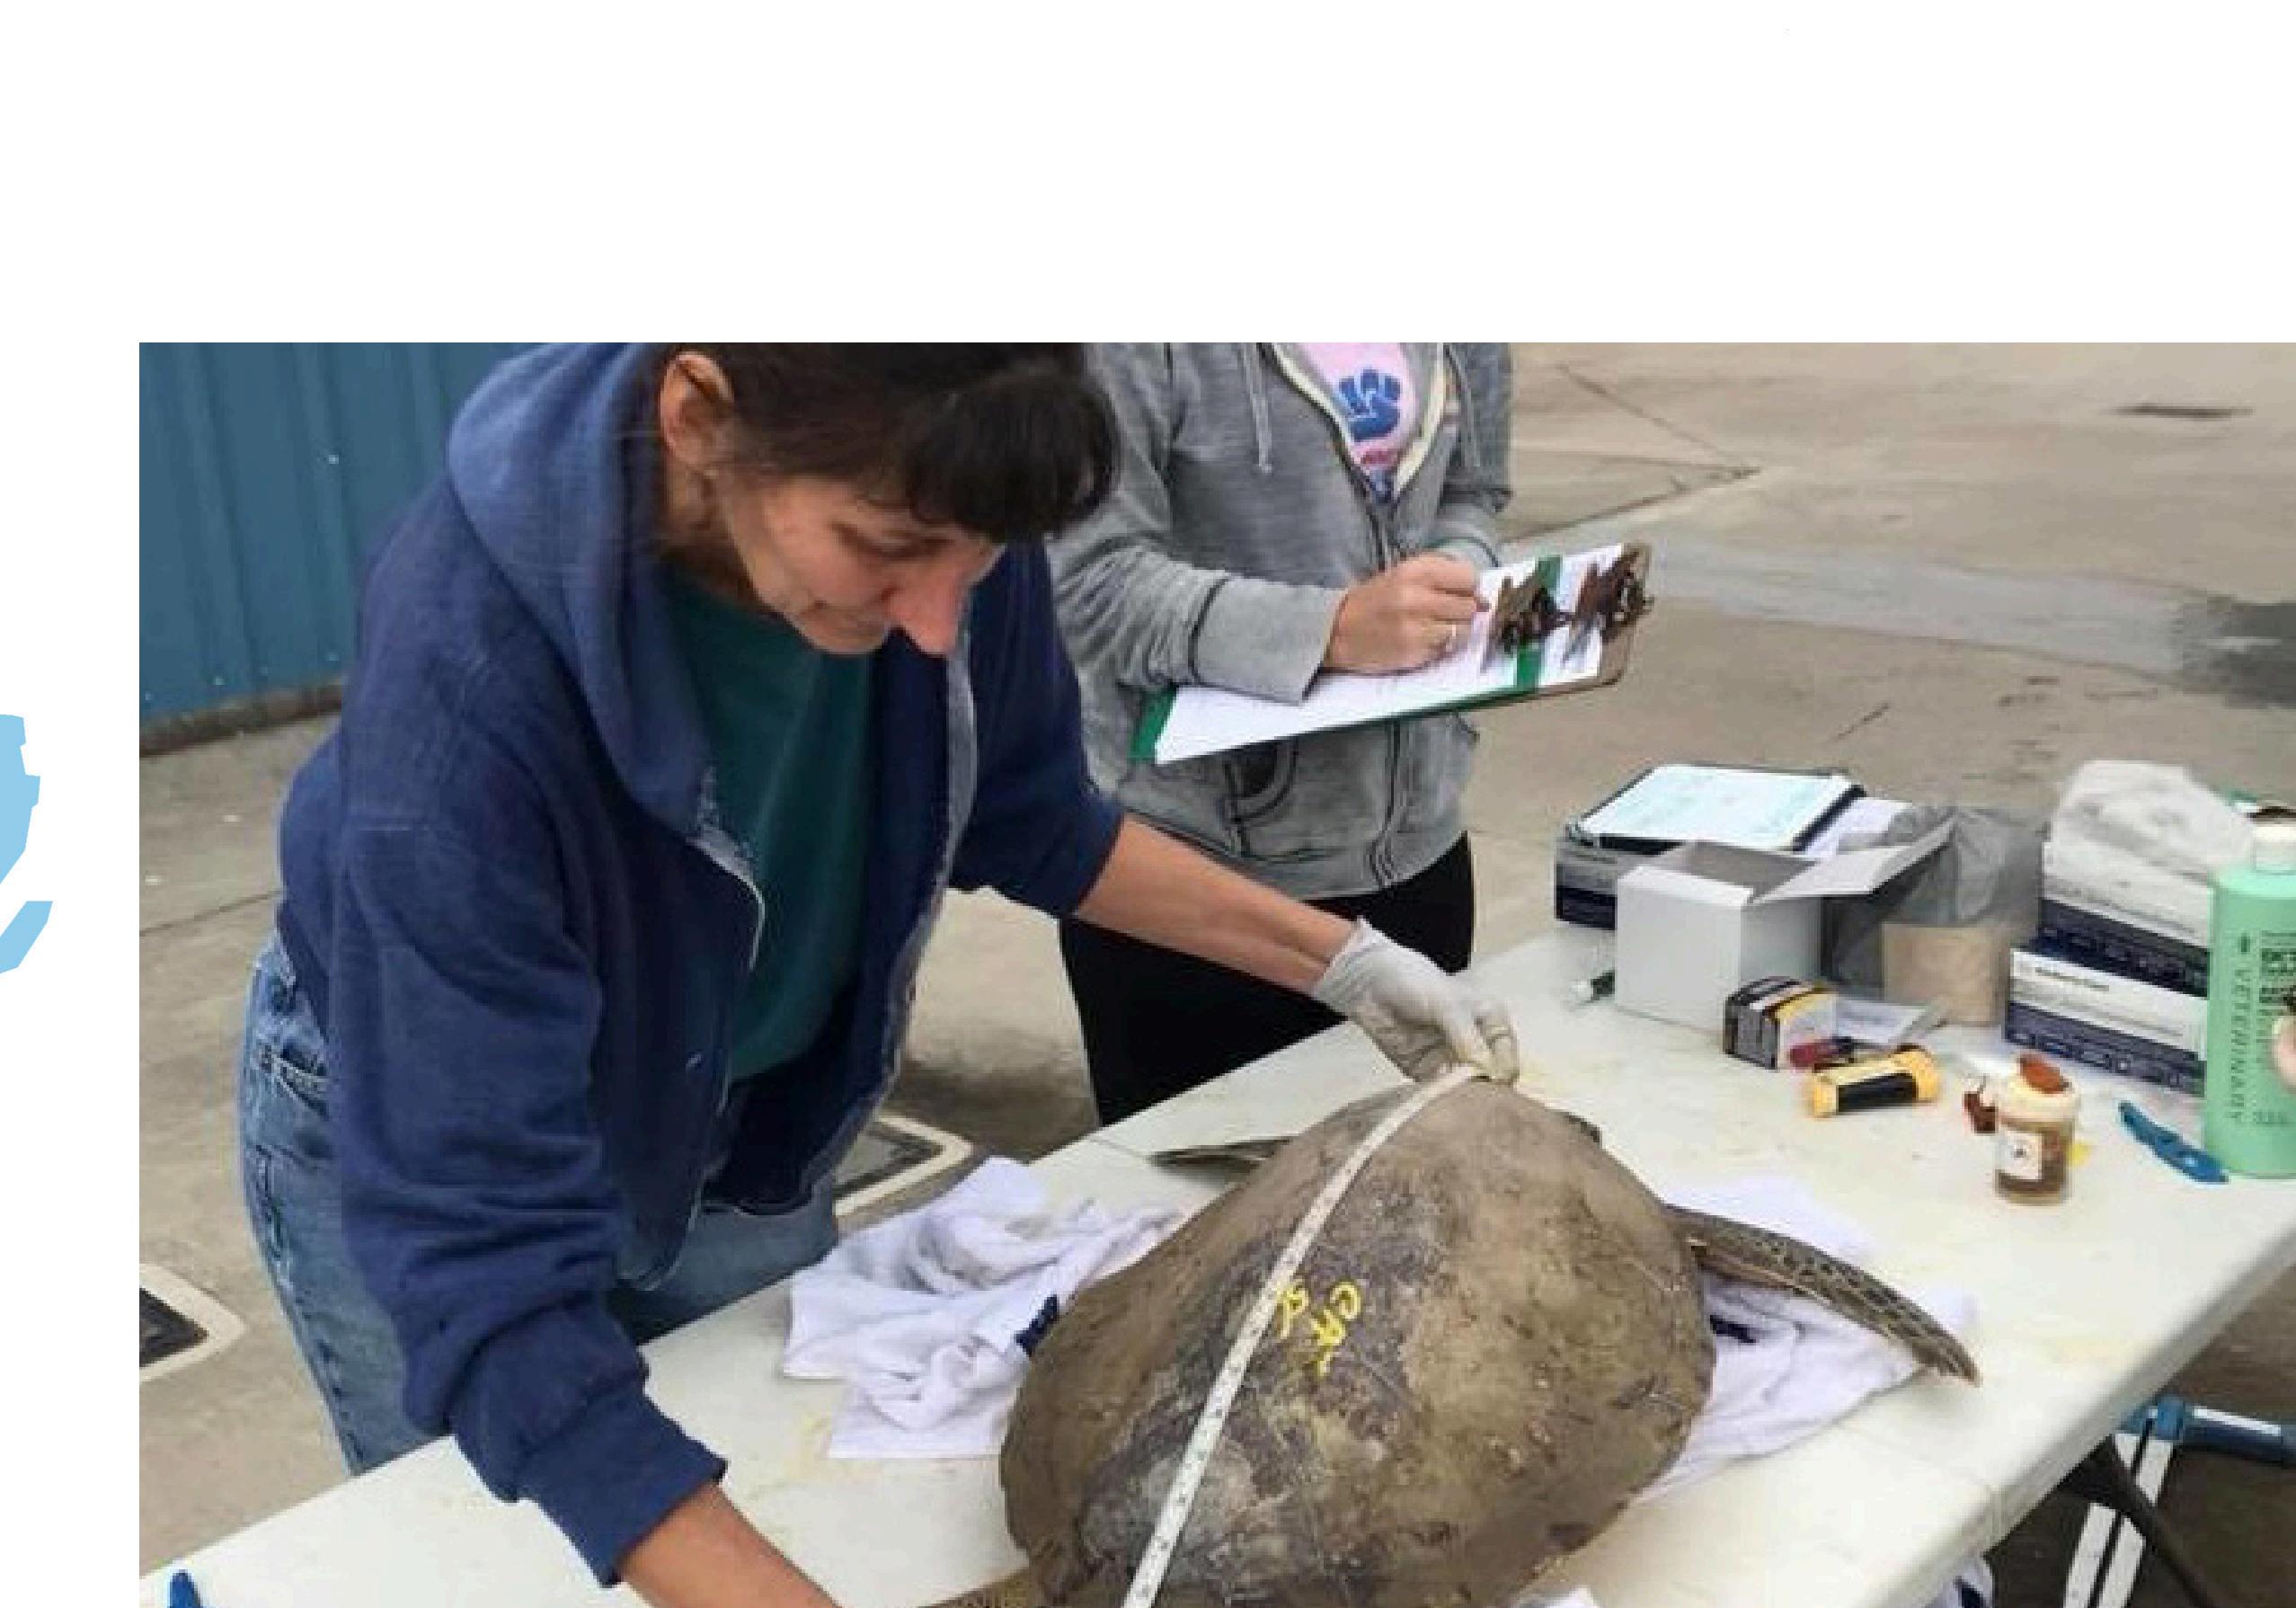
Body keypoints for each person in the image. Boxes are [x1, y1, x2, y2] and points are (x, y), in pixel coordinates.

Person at [240, 344, 1519, 1608]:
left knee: (787, 1499)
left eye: (977, 563)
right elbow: (493, 1290)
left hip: (739, 1117)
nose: (933, 623)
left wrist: (1341, 959)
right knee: (497, 1557)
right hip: (422, 1111)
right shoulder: (467, 689)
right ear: (697, 415)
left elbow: (1031, 818)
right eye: (885, 548)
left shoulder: (945, 496)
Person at [1047, 343, 1515, 1122]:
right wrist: (1328, 629)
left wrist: (1451, 577)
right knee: (1200, 1190)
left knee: (1407, 1170)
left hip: (1420, 851)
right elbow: (1084, 581)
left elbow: (1473, 490)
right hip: (1186, 884)